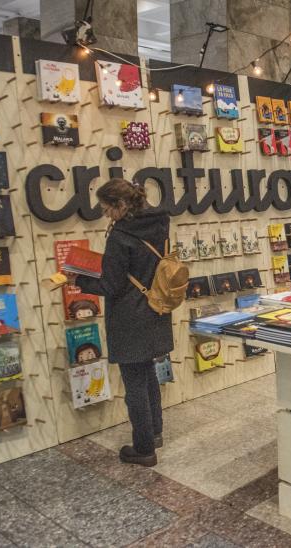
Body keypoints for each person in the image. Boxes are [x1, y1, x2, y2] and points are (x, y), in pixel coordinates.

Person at [71, 179, 173, 466]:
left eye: (107, 209)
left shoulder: (120, 236)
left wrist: (78, 279)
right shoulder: (159, 222)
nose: (106, 215)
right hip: (156, 306)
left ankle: (143, 449)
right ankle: (154, 433)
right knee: (148, 373)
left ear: (121, 205)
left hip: (130, 314)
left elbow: (111, 285)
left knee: (135, 383)